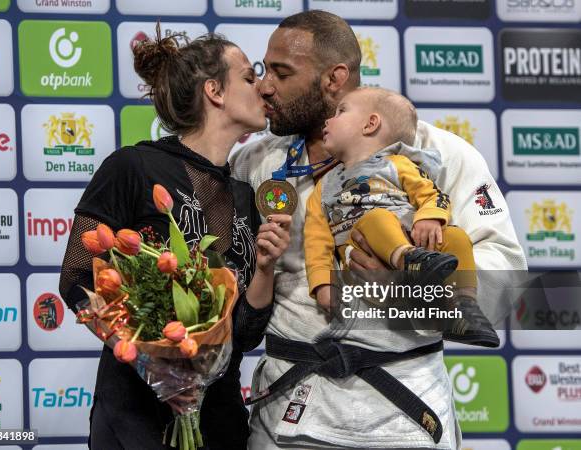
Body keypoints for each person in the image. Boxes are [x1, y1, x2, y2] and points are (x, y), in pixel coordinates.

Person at [229, 10, 527, 450]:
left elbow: (506, 273)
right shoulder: (256, 164)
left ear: (335, 77)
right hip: (289, 413)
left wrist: (412, 290)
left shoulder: (436, 153)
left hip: (401, 416)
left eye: (282, 72)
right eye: (263, 69)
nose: (265, 85)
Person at [59, 28, 291, 450]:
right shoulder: (132, 166)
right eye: (248, 75)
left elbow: (245, 333)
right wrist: (155, 365)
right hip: (136, 412)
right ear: (214, 91)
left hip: (219, 416)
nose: (262, 86)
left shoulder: (244, 194)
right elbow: (77, 278)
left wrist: (265, 268)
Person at [305, 86, 500, 348]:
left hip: (415, 244)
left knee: (456, 236)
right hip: (361, 262)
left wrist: (429, 218)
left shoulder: (400, 164)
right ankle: (409, 263)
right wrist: (322, 285)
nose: (328, 119)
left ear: (370, 124)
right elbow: (316, 242)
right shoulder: (324, 186)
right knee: (377, 219)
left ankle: (463, 306)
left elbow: (434, 195)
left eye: (341, 111)